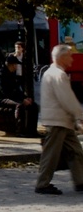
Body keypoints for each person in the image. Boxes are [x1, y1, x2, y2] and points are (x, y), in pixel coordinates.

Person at [35, 44, 83, 195]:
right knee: (51, 154)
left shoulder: (52, 72)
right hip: (58, 121)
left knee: (76, 151)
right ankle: (42, 184)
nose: (72, 59)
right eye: (69, 55)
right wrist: (80, 115)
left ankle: (80, 181)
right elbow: (67, 99)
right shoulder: (58, 75)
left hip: (61, 120)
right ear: (62, 58)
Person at [0, 55, 39, 137]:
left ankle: (32, 131)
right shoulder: (0, 74)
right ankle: (19, 131)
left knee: (34, 106)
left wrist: (25, 98)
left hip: (9, 97)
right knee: (19, 106)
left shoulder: (11, 74)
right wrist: (22, 100)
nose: (16, 67)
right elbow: (5, 92)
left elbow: (17, 90)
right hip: (0, 99)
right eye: (15, 65)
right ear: (11, 65)